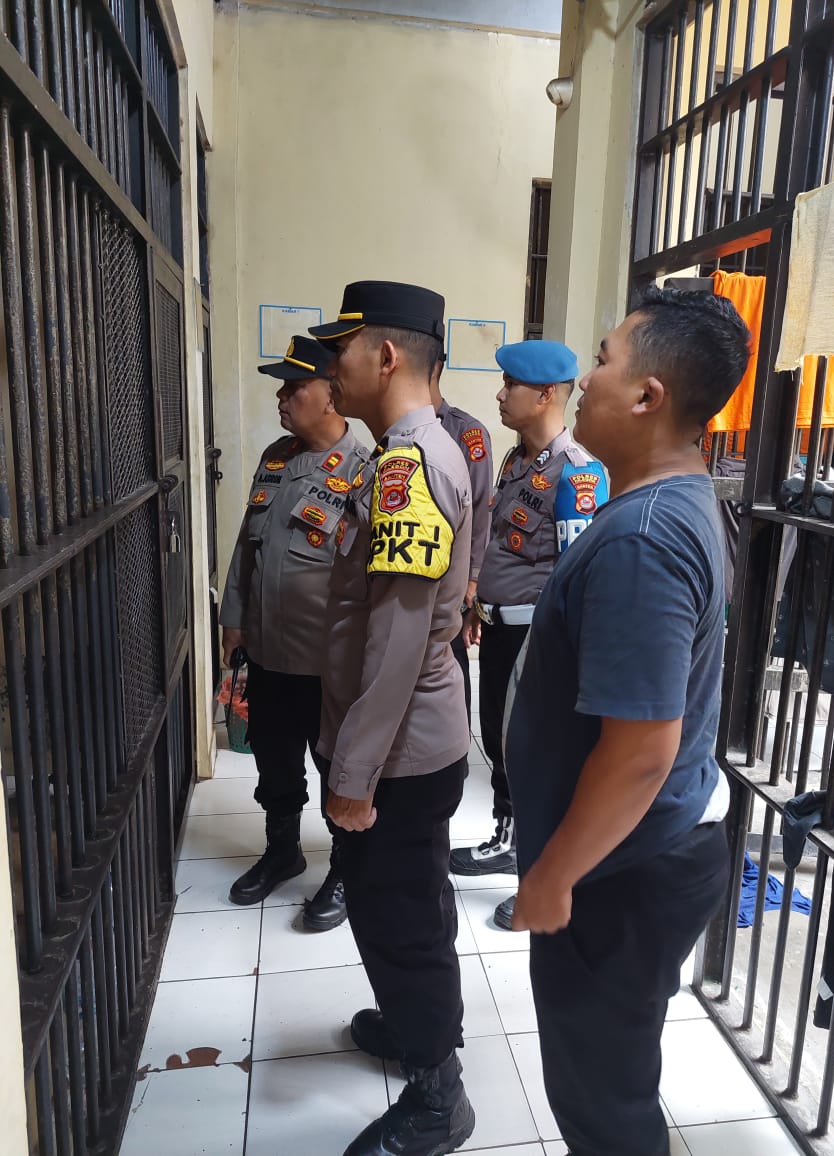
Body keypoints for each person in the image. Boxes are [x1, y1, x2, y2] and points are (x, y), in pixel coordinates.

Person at [505, 287, 750, 1156]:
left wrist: (553, 875)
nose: (586, 378)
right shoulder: (672, 501)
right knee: (612, 1074)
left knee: (602, 1104)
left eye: (603, 360)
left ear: (647, 395)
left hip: (622, 865)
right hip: (646, 850)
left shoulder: (643, 535)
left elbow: (642, 750)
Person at [309, 281, 475, 1156]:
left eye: (341, 349)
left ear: (384, 356)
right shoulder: (401, 454)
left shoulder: (413, 465)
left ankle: (438, 1096)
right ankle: (422, 1026)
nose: (330, 368)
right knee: (405, 901)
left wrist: (352, 774)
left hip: (398, 751)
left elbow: (397, 642)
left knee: (398, 916)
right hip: (397, 743)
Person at [450, 340, 607, 929]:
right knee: (500, 743)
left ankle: (538, 874)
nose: (499, 394)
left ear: (544, 395)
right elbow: (499, 545)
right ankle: (508, 838)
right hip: (498, 631)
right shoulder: (518, 462)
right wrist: (479, 605)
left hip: (535, 643)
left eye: (510, 385)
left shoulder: (577, 472)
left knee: (535, 757)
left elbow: (575, 575)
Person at [220, 336, 368, 931]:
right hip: (268, 651)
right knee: (274, 761)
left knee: (334, 766)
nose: (282, 398)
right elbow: (246, 547)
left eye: (294, 387)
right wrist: (233, 618)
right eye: (281, 388)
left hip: (327, 663)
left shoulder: (366, 470)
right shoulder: (275, 458)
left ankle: (346, 866)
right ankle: (282, 850)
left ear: (332, 394)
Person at [430, 350, 493, 726]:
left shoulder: (466, 433)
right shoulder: (391, 433)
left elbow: (482, 511)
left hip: (449, 585)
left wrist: (472, 580)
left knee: (450, 673)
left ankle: (455, 746)